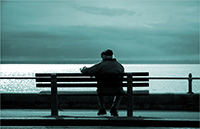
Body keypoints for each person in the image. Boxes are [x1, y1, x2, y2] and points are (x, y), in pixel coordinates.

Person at [80, 49, 125, 116]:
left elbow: (88, 71)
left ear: (104, 56)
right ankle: (114, 108)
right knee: (120, 92)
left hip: (102, 89)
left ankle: (102, 108)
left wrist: (83, 69)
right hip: (116, 89)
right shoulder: (119, 66)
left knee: (99, 91)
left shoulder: (101, 65)